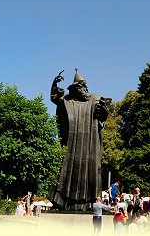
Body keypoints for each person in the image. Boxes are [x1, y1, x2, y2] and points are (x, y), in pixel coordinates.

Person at [48, 69, 110, 210]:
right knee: (67, 170)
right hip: (73, 144)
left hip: (90, 145)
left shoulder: (95, 99)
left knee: (91, 171)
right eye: (81, 86)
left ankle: (88, 203)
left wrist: (104, 112)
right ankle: (63, 201)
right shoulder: (68, 101)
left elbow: (102, 116)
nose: (84, 89)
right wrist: (54, 84)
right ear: (75, 89)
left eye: (85, 86)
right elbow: (56, 99)